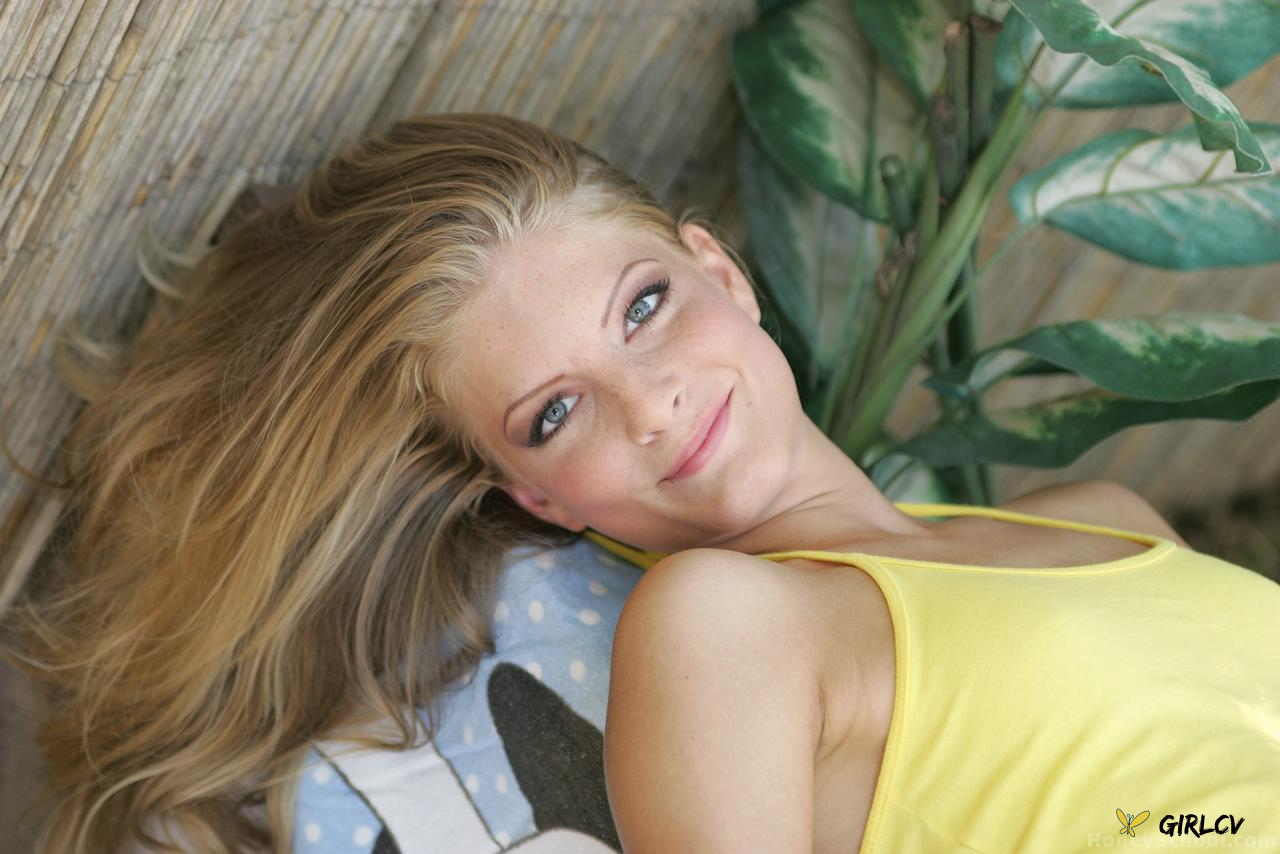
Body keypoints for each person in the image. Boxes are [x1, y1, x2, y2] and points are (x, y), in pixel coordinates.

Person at [2, 112, 1275, 853]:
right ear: (539, 499)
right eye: (555, 413)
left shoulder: (1101, 519)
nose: (652, 399)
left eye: (643, 306)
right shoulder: (722, 630)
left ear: (722, 273)